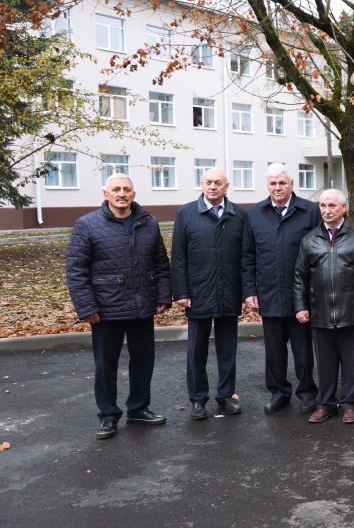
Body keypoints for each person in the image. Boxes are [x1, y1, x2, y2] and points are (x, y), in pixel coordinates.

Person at [66, 173, 172, 439]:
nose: (121, 193)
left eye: (127, 189)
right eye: (116, 189)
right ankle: (108, 416)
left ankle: (138, 409)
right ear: (106, 194)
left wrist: (162, 296)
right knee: (105, 365)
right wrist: (87, 307)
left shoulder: (148, 222)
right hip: (105, 310)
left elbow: (160, 262)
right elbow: (76, 270)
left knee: (143, 361)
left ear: (133, 194)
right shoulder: (87, 224)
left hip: (141, 307)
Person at [294, 190, 354, 424]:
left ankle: (349, 404)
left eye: (332, 205)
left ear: (345, 208)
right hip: (320, 311)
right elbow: (300, 277)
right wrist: (301, 306)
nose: (326, 210)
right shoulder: (310, 239)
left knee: (350, 360)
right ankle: (325, 404)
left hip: (350, 309)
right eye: (322, 205)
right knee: (325, 361)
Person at [242, 163, 319, 415]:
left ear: (291, 185)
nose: (278, 188)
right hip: (269, 293)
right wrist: (249, 290)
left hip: (301, 295)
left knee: (303, 350)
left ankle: (307, 393)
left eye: (282, 183)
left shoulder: (310, 211)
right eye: (273, 183)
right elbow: (247, 255)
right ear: (268, 186)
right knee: (274, 351)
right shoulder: (254, 213)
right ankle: (279, 392)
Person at [171, 168, 247, 420]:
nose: (212, 187)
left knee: (227, 350)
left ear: (227, 186)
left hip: (229, 291)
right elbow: (179, 255)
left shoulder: (239, 215)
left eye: (218, 183)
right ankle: (197, 400)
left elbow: (247, 258)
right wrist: (180, 291)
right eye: (208, 182)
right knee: (196, 351)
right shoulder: (185, 213)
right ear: (201, 185)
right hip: (198, 292)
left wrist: (246, 291)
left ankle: (225, 396)